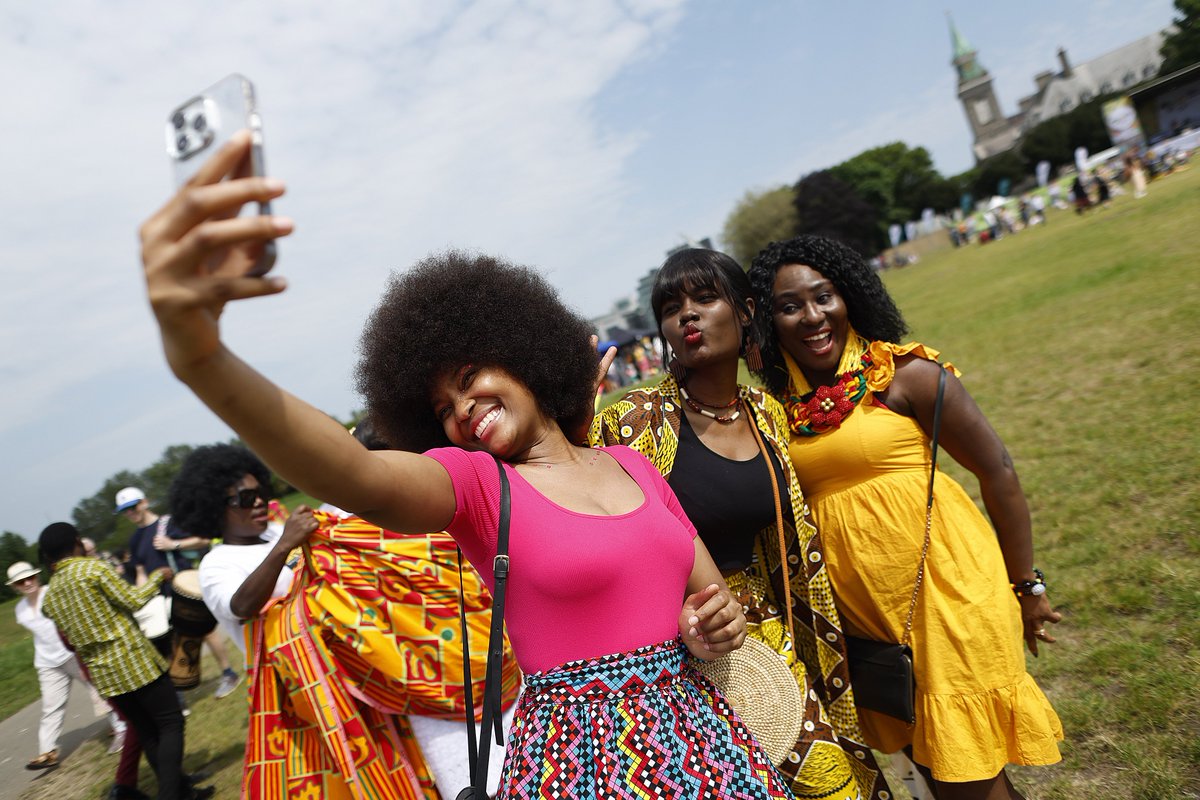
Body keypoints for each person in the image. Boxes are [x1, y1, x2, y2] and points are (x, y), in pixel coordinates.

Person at [137, 131, 790, 798]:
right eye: (443, 408)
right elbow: (355, 475)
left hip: (705, 744)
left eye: (472, 375)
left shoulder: (633, 466)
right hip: (585, 770)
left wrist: (714, 628)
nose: (462, 410)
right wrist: (201, 358)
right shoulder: (481, 486)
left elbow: (709, 603)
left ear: (527, 351)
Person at [747, 235, 1063, 800]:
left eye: (825, 297)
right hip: (867, 622)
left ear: (851, 298)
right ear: (769, 323)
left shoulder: (906, 375)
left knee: (969, 779)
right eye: (790, 306)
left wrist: (1028, 585)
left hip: (945, 594)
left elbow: (1000, 471)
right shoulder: (777, 411)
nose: (813, 316)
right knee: (943, 780)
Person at [591, 248, 888, 800]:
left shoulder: (766, 413)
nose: (688, 316)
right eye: (672, 307)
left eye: (705, 298)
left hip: (766, 642)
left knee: (836, 786)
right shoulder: (628, 423)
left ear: (746, 311)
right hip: (671, 655)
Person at [37, 522, 211, 800]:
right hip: (134, 663)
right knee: (170, 723)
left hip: (105, 677)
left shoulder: (51, 593)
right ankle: (171, 795)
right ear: (76, 543)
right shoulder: (91, 568)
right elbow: (133, 600)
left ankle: (182, 790)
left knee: (148, 732)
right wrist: (157, 577)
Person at [116, 487, 241, 699]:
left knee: (205, 630)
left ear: (144, 502)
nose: (130, 513)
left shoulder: (168, 523)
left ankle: (228, 673)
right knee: (173, 639)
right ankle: (183, 685)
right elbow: (139, 571)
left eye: (132, 507)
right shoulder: (135, 539)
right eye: (125, 510)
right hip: (161, 595)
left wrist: (173, 544)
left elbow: (203, 539)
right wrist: (141, 596)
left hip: (186, 586)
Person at [8, 561, 126, 769]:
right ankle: (48, 751)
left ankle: (122, 729)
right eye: (21, 582)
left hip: (72, 653)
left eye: (30, 578)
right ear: (15, 587)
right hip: (47, 662)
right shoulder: (20, 610)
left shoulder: (52, 594)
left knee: (99, 691)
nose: (27, 583)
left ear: (37, 576)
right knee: (51, 706)